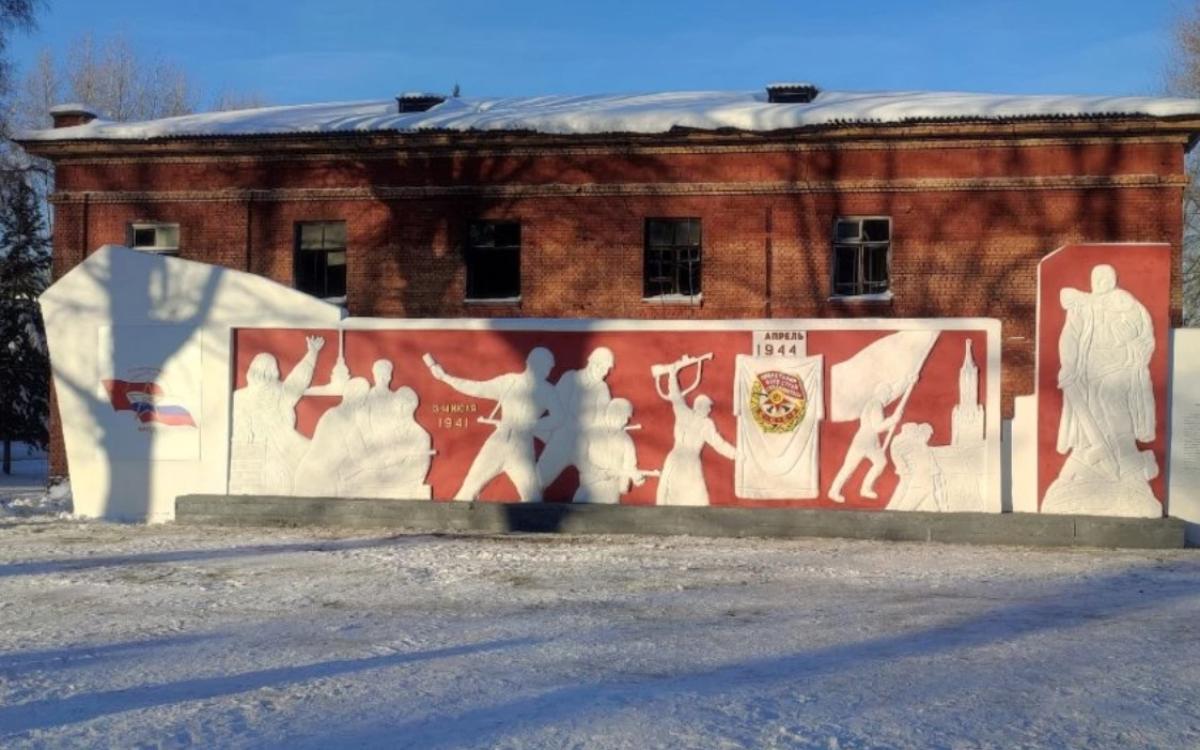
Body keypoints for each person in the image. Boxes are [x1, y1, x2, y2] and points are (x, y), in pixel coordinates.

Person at [1055, 264, 1156, 482]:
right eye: (1097, 278)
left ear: (1113, 280)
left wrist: (1130, 339)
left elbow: (1143, 333)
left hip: (1119, 364)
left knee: (1112, 403)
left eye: (1106, 277)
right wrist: (1068, 365)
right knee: (1093, 409)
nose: (1101, 282)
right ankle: (1102, 455)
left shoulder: (1125, 302)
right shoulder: (1082, 306)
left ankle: (1126, 455)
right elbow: (1069, 336)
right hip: (1089, 369)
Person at [427, 347, 561, 502]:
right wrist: (446, 378)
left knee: (533, 499)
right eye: (547, 365)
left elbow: (559, 417)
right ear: (534, 363)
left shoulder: (548, 391)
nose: (549, 370)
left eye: (550, 367)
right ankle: (453, 525)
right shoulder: (509, 381)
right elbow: (477, 388)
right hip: (498, 443)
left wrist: (532, 425)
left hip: (522, 449)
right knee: (468, 492)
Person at [230, 335, 324, 495]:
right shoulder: (276, 392)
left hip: (270, 450)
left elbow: (297, 381)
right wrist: (311, 354)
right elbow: (298, 381)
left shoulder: (240, 396)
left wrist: (312, 354)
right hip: (266, 451)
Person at [654, 355, 736, 506]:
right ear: (699, 406)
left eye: (709, 407)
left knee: (694, 499)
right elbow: (676, 396)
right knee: (679, 498)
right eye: (707, 406)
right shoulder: (695, 418)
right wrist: (672, 373)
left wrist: (736, 454)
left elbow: (719, 444)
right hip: (682, 460)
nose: (709, 409)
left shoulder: (693, 418)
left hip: (683, 460)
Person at [536, 347, 615, 489]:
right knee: (536, 484)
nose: (605, 373)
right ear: (594, 363)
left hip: (586, 444)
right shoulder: (571, 378)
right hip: (562, 440)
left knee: (600, 481)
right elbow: (557, 409)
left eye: (608, 370)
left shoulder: (602, 389)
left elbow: (603, 419)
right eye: (604, 367)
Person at [827, 379, 910, 503]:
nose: (888, 396)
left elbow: (877, 426)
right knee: (850, 467)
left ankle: (864, 489)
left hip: (869, 441)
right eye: (887, 393)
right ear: (880, 392)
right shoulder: (876, 404)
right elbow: (877, 426)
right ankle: (835, 491)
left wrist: (892, 421)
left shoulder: (874, 404)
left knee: (879, 462)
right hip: (864, 441)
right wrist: (893, 419)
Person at [295, 377, 372, 496]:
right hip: (317, 480)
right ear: (354, 396)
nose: (364, 402)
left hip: (316, 476)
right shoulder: (344, 420)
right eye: (364, 397)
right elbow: (360, 457)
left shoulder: (333, 414)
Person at [573, 398, 650, 504]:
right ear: (614, 413)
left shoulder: (626, 439)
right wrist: (599, 473)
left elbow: (629, 467)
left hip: (610, 495)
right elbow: (579, 459)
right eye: (624, 417)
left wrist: (636, 479)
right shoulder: (590, 434)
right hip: (588, 490)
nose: (626, 421)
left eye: (628, 418)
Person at [888, 422, 943, 511]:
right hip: (921, 481)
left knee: (933, 508)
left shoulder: (916, 445)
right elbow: (928, 464)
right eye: (928, 434)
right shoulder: (915, 445)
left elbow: (931, 465)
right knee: (906, 508)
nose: (928, 437)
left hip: (925, 482)